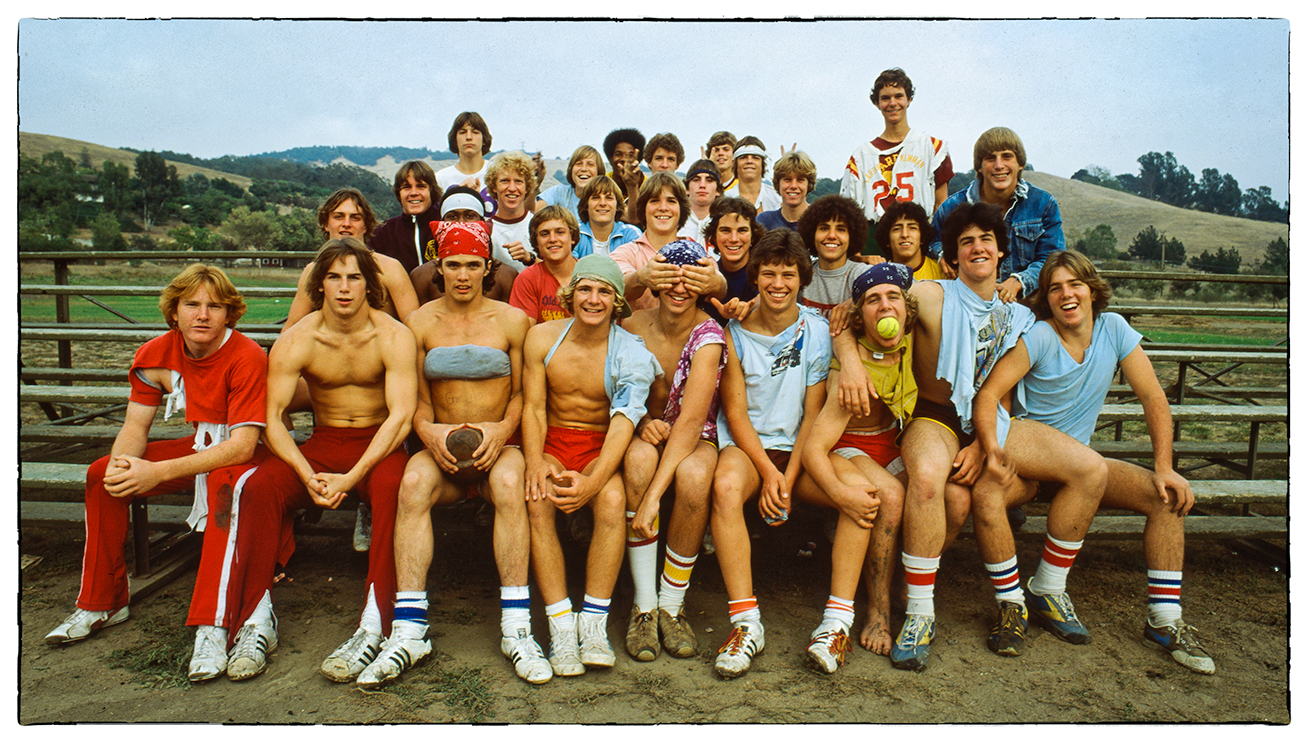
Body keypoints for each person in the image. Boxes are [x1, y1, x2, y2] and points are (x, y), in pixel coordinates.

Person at [971, 250, 1213, 674]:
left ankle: (1165, 619)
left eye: (1075, 284)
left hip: (1076, 464)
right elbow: (989, 395)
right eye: (1055, 288)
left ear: (1092, 289)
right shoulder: (1042, 336)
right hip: (1028, 445)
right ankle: (1013, 604)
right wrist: (990, 448)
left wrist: (1165, 466)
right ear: (1045, 298)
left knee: (1165, 498)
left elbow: (1154, 397)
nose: (1066, 294)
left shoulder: (1115, 328)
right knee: (991, 489)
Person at [43, 266, 269, 681]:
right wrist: (125, 468)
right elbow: (134, 427)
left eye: (214, 306)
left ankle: (212, 625)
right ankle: (102, 602)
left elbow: (242, 447)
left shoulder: (246, 355)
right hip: (203, 443)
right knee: (101, 474)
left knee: (223, 484)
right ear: (174, 311)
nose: (203, 315)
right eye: (192, 305)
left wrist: (157, 471)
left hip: (254, 454)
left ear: (229, 314)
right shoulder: (156, 352)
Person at [355, 220, 554, 687]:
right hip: (440, 444)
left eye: (472, 265)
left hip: (499, 446)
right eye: (452, 265)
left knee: (509, 484)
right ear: (437, 267)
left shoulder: (512, 321)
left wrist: (501, 430)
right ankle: (409, 627)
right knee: (413, 483)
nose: (462, 275)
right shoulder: (419, 323)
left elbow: (526, 395)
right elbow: (415, 399)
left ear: (487, 268)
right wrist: (428, 434)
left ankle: (517, 626)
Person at [219, 239, 418, 683]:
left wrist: (352, 476)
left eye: (354, 277)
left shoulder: (393, 335)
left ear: (369, 284)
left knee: (394, 490)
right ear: (319, 285)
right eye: (334, 277)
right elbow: (271, 418)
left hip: (377, 445)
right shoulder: (299, 337)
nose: (344, 288)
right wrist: (308, 475)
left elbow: (402, 417)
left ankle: (375, 622)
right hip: (322, 442)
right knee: (258, 486)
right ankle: (255, 619)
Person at [856, 202, 1034, 672]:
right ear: (953, 256)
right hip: (934, 415)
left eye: (987, 240)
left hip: (986, 423)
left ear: (1000, 253)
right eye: (966, 241)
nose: (978, 247)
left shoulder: (1016, 316)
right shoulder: (933, 294)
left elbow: (1006, 392)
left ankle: (913, 583)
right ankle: (919, 614)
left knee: (959, 503)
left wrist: (983, 442)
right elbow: (871, 301)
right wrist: (844, 345)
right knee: (931, 480)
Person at [522, 254, 662, 674]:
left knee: (611, 502)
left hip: (601, 445)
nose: (593, 299)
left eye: (604, 291)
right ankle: (561, 625)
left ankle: (594, 622)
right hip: (551, 441)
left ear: (618, 301)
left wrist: (593, 481)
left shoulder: (630, 352)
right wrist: (534, 459)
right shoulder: (542, 339)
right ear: (571, 294)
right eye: (585, 288)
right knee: (538, 500)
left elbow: (623, 421)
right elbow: (533, 407)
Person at [709, 229, 831, 679]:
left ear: (803, 278)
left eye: (788, 274)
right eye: (768, 273)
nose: (778, 283)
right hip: (750, 446)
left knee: (861, 494)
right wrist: (767, 472)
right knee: (724, 488)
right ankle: (746, 622)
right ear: (755, 276)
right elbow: (736, 414)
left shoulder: (816, 331)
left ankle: (839, 619)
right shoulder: (733, 332)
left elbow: (813, 415)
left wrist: (788, 475)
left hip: (800, 447)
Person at [799, 263, 917, 668]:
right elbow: (816, 448)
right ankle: (878, 614)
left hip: (894, 445)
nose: (884, 307)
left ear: (907, 306)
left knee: (944, 496)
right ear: (859, 313)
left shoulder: (915, 341)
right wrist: (838, 493)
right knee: (891, 497)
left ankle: (905, 582)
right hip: (850, 449)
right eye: (872, 300)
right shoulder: (848, 375)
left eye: (893, 297)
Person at [620, 240, 726, 662]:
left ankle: (671, 603)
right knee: (639, 459)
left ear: (701, 287)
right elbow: (618, 391)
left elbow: (689, 423)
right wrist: (643, 422)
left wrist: (651, 501)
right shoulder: (632, 326)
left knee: (695, 475)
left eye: (689, 281)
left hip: (693, 432)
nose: (679, 290)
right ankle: (644, 606)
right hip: (642, 427)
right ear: (657, 283)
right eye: (670, 280)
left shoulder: (709, 334)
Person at [931, 127, 1065, 303]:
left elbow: (1053, 257)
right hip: (969, 303)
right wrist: (942, 255)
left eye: (1007, 156)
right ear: (979, 167)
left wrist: (1018, 281)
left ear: (1020, 163)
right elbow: (931, 240)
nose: (999, 165)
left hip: (1028, 306)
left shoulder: (1042, 203)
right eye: (990, 158)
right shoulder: (954, 206)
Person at [840, 67, 954, 256]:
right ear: (877, 103)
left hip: (920, 242)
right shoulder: (861, 155)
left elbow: (941, 207)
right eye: (885, 98)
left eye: (898, 96)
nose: (892, 103)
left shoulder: (932, 147)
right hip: (875, 246)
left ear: (909, 99)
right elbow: (850, 213)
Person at [283, 188, 419, 326]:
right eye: (338, 217)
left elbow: (414, 327)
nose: (346, 224)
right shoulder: (312, 270)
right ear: (326, 224)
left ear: (365, 226)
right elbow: (291, 328)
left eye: (355, 218)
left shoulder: (390, 268)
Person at [612, 172, 726, 312]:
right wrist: (641, 277)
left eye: (671, 201)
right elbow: (614, 288)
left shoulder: (697, 251)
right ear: (643, 208)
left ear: (681, 209)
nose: (663, 207)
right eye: (654, 200)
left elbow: (719, 291)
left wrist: (717, 282)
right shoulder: (626, 252)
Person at [410, 186, 518, 304]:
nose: (461, 222)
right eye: (453, 216)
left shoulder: (506, 276)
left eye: (470, 216)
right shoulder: (422, 277)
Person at [796, 194, 872, 319]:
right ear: (812, 234)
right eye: (824, 228)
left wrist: (856, 301)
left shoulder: (860, 274)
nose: (832, 235)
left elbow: (906, 284)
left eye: (841, 229)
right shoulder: (803, 274)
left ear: (852, 237)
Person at [370, 160, 443, 276]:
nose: (413, 193)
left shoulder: (446, 224)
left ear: (431, 191)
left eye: (421, 186)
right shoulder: (382, 233)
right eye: (406, 187)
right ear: (399, 193)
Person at [510, 206, 579, 324]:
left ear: (572, 237)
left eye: (560, 232)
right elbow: (524, 332)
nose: (552, 239)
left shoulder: (589, 275)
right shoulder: (528, 279)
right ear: (536, 242)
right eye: (544, 234)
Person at [702, 197, 764, 325]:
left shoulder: (764, 269)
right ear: (713, 236)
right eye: (725, 230)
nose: (734, 239)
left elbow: (767, 296)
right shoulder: (709, 273)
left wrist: (748, 307)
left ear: (753, 236)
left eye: (742, 230)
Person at [484, 151, 539, 273]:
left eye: (518, 181)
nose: (512, 188)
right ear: (494, 186)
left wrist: (530, 258)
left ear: (526, 187)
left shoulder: (538, 222)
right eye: (505, 181)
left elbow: (556, 268)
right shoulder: (486, 230)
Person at [573, 175, 643, 259]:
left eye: (609, 198)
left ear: (617, 206)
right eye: (595, 198)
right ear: (585, 205)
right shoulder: (575, 233)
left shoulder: (631, 234)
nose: (603, 203)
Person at [875, 200, 947, 281]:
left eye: (912, 228)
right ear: (887, 240)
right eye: (897, 229)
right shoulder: (880, 276)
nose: (905, 235)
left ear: (922, 237)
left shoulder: (944, 271)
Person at [535, 144, 603, 220]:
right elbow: (532, 213)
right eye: (578, 164)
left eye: (590, 164)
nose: (584, 169)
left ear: (599, 172)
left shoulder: (605, 200)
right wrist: (535, 183)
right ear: (571, 170)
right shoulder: (559, 192)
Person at [757, 151, 817, 232]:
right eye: (787, 180)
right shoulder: (765, 221)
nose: (793, 186)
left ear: (808, 184)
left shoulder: (820, 220)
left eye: (800, 180)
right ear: (778, 184)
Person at [436, 111, 493, 194]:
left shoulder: (498, 173)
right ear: (455, 140)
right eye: (462, 132)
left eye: (475, 132)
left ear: (484, 139)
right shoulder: (441, 179)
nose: (469, 137)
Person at [723, 136, 781, 214]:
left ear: (763, 164)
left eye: (755, 158)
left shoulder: (777, 197)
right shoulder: (725, 199)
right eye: (743, 157)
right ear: (734, 164)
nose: (749, 161)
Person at [603, 128, 647, 214]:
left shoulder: (648, 186)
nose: (624, 159)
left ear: (638, 159)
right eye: (618, 154)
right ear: (610, 159)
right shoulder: (601, 183)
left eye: (630, 155)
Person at [679, 159, 721, 245]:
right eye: (696, 180)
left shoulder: (724, 221)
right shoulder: (675, 221)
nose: (702, 185)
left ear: (718, 190)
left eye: (709, 180)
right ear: (687, 188)